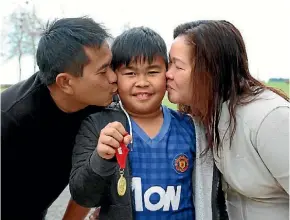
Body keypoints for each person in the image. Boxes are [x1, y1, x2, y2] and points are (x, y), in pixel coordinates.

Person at [69, 26, 202, 220]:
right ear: (115, 77)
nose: (142, 82)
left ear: (167, 72)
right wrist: (101, 158)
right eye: (130, 73)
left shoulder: (190, 128)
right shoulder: (97, 126)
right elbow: (84, 196)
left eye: (152, 72)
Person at [166, 20, 289, 220]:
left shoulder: (269, 118)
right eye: (169, 63)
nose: (167, 74)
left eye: (177, 66)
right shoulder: (205, 118)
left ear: (210, 71)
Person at [1, 17, 118, 219]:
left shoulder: (101, 103)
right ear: (65, 82)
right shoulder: (10, 121)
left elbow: (89, 181)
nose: (114, 77)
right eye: (102, 71)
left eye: (112, 65)